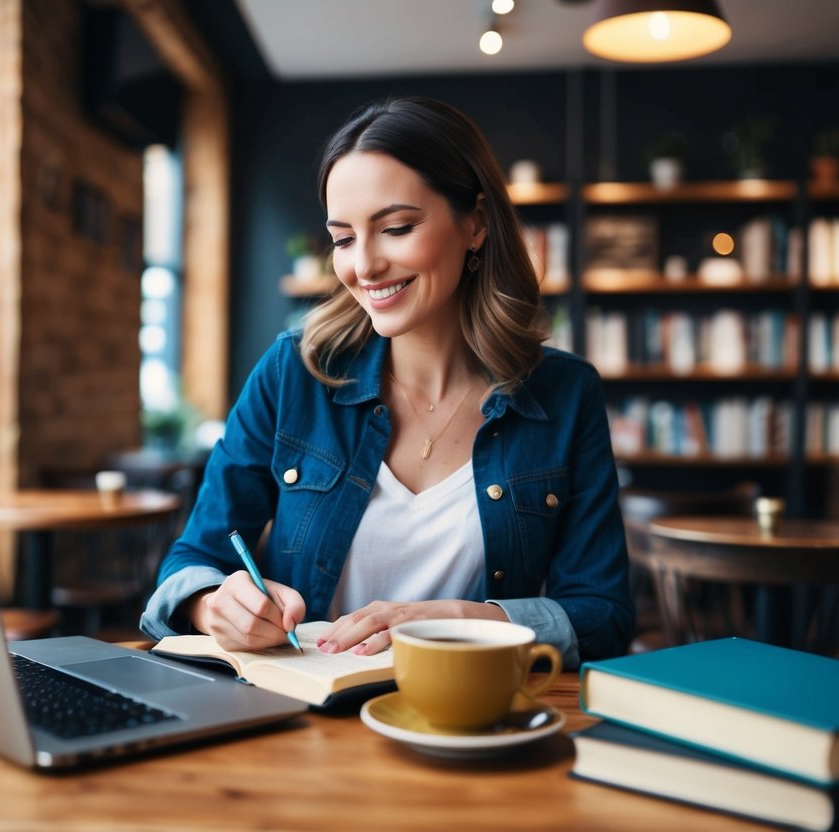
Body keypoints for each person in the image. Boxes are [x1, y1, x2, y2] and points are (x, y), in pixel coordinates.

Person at [140, 97, 633, 667]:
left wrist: (458, 620)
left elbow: (604, 617)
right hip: (301, 722)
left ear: (475, 223)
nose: (365, 266)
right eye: (344, 238)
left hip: (464, 719)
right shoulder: (292, 372)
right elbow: (191, 560)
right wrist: (213, 605)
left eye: (396, 228)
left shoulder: (566, 395)